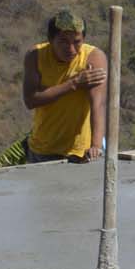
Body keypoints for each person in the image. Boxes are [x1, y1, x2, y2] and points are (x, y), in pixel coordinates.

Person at [22, 9, 106, 162]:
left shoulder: (92, 57)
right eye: (63, 42)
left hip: (81, 152)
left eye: (77, 42)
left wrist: (96, 146)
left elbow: (98, 104)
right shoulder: (35, 56)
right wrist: (73, 83)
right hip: (43, 150)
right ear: (50, 39)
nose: (71, 49)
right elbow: (31, 100)